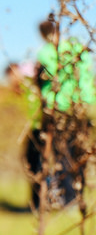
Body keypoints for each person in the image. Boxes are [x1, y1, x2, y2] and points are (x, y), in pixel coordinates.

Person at [24, 12, 96, 210]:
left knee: (62, 155)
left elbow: (46, 77)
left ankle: (68, 201)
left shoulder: (46, 51)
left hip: (59, 109)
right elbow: (87, 75)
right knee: (78, 154)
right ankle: (78, 197)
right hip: (81, 107)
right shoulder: (77, 48)